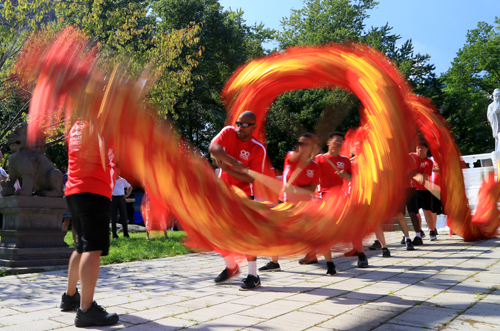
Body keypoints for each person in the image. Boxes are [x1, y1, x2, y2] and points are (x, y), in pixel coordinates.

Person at [59, 118, 119, 327]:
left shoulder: (78, 124)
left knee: (82, 246)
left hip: (75, 189)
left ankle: (70, 297)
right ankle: (86, 310)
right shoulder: (102, 122)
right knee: (93, 248)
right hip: (94, 189)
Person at [209, 110, 267, 290]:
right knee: (212, 230)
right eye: (238, 123)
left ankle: (253, 275)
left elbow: (250, 178)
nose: (239, 128)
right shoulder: (228, 132)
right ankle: (231, 266)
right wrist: (233, 163)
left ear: (254, 127)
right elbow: (213, 148)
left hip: (243, 194)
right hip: (223, 192)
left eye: (244, 124)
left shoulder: (258, 149)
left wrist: (227, 167)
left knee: (246, 234)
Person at [259, 134, 324, 273]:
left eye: (306, 144)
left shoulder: (315, 167)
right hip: (284, 202)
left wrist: (295, 189)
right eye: (300, 143)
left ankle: (312, 254)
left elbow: (312, 189)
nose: (302, 146)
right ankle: (274, 262)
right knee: (275, 231)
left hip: (303, 205)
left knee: (306, 233)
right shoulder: (290, 156)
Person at [408, 140, 435, 244]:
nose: (420, 149)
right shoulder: (412, 157)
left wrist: (411, 173)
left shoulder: (429, 161)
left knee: (427, 211)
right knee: (415, 212)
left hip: (424, 189)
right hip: (412, 188)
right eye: (418, 147)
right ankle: (419, 232)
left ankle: (432, 231)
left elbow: (423, 178)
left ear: (427, 149)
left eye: (422, 148)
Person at [111, 169, 132, 239]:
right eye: (116, 172)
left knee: (124, 216)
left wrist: (127, 195)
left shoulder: (122, 180)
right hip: (113, 198)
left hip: (121, 198)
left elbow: (130, 187)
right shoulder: (110, 179)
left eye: (118, 172)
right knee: (113, 217)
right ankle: (114, 235)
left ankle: (126, 234)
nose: (117, 173)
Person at [0, 150, 8, 229]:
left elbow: (9, 179)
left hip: (2, 198)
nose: (2, 157)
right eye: (0, 156)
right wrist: (4, 178)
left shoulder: (1, 169)